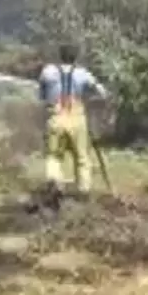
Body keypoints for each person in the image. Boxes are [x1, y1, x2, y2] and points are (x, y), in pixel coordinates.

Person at [38, 42, 108, 206]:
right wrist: (92, 99)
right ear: (76, 57)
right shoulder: (83, 73)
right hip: (77, 119)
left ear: (60, 55)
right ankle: (84, 191)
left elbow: (41, 96)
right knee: (82, 158)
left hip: (55, 118)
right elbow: (102, 92)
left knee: (53, 156)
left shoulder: (47, 72)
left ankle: (55, 182)